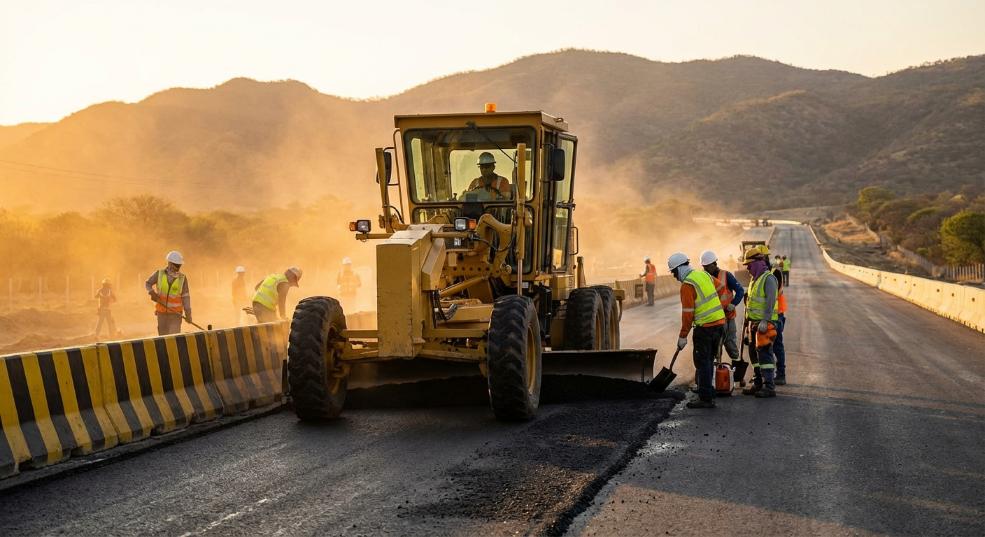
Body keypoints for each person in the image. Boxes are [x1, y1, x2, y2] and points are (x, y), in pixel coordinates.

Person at [668, 252, 726, 409]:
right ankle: (708, 391)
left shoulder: (688, 285)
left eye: (674, 272)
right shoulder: (704, 275)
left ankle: (705, 398)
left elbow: (688, 313)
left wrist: (683, 336)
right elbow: (721, 287)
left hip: (705, 328)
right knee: (709, 360)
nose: (674, 276)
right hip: (719, 324)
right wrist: (715, 306)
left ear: (680, 268)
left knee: (703, 362)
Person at [741, 246, 779, 398]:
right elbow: (750, 302)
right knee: (754, 356)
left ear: (757, 263)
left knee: (765, 356)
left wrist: (765, 320)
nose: (748, 268)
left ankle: (769, 386)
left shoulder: (768, 278)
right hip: (753, 324)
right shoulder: (753, 280)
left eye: (749, 265)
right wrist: (746, 320)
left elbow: (770, 301)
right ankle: (758, 383)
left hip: (765, 325)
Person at [700, 250, 745, 365]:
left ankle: (737, 375)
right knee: (715, 347)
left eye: (707, 267)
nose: (705, 270)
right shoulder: (704, 278)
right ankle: (716, 374)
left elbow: (740, 290)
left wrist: (733, 304)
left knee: (730, 346)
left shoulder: (726, 275)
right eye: (704, 267)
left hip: (727, 317)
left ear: (714, 264)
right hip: (713, 320)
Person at [145, 250, 191, 336]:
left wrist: (188, 313)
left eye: (179, 266)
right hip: (161, 314)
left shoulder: (182, 278)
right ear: (169, 263)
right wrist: (152, 293)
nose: (178, 268)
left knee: (173, 338)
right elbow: (147, 283)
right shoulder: (159, 274)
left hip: (176, 315)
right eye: (176, 265)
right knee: (163, 338)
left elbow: (186, 297)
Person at [772, 263, 789, 385]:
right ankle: (779, 374)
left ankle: (780, 375)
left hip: (776, 316)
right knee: (777, 346)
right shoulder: (774, 273)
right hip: (778, 315)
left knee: (776, 346)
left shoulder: (774, 274)